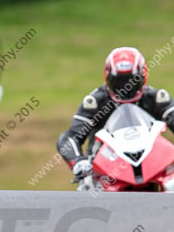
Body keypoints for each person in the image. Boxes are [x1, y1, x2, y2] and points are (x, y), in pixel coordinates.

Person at [57, 46, 174, 185]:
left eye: (132, 82)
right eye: (118, 82)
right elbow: (71, 136)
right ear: (107, 79)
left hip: (152, 166)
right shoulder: (96, 101)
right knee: (88, 186)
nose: (125, 89)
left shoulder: (155, 98)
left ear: (144, 77)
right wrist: (77, 161)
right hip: (103, 172)